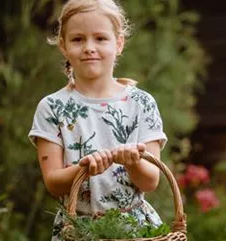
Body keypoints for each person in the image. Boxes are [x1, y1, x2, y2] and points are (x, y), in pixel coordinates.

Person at [28, 0, 167, 239]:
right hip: (78, 230)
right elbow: (53, 182)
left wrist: (132, 162)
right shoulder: (51, 108)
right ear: (63, 46)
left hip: (134, 231)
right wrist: (84, 169)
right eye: (78, 39)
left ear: (119, 44)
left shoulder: (141, 103)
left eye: (101, 39)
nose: (89, 47)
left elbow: (151, 181)